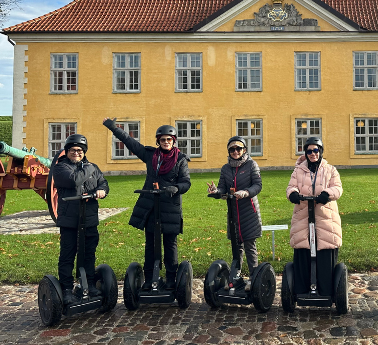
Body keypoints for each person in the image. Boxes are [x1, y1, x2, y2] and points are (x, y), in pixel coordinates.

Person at [103, 118, 191, 289]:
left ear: (174, 141)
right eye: (163, 139)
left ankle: (171, 279)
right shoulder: (151, 155)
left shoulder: (180, 159)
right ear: (158, 141)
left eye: (169, 139)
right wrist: (114, 128)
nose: (166, 142)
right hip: (151, 206)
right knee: (151, 244)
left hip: (170, 207)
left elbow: (186, 182)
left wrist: (176, 188)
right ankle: (150, 278)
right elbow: (130, 143)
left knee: (170, 245)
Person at [52, 134, 109, 304]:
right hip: (70, 219)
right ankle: (66, 289)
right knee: (68, 254)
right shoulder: (60, 168)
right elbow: (74, 181)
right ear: (67, 151)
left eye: (79, 150)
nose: (76, 153)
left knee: (88, 254)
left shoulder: (92, 168)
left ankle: (89, 284)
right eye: (72, 150)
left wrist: (102, 190)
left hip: (89, 218)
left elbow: (103, 183)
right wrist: (89, 168)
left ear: (84, 152)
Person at [286, 137, 343, 295]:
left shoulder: (330, 170)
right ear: (306, 153)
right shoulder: (298, 171)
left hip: (325, 216)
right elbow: (291, 187)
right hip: (303, 216)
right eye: (309, 151)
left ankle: (326, 291)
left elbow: (337, 188)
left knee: (325, 251)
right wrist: (293, 194)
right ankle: (301, 290)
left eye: (316, 150)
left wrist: (327, 193)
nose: (313, 154)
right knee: (303, 250)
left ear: (321, 151)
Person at [206, 136, 263, 282]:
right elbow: (222, 188)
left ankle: (254, 278)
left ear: (244, 150)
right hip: (233, 212)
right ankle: (235, 277)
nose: (235, 151)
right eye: (232, 149)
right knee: (236, 245)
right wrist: (215, 191)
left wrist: (246, 192)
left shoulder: (251, 165)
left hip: (249, 211)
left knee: (249, 245)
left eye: (239, 148)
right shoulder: (226, 168)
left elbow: (257, 185)